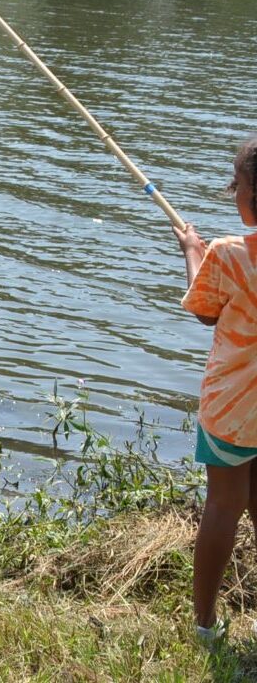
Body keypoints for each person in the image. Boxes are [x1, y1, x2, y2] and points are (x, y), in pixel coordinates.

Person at [176, 134, 257, 645]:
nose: (233, 192)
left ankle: (205, 625)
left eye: (238, 184)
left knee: (223, 506)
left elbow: (205, 311)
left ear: (251, 196)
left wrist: (192, 251)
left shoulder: (227, 253)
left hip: (232, 407)